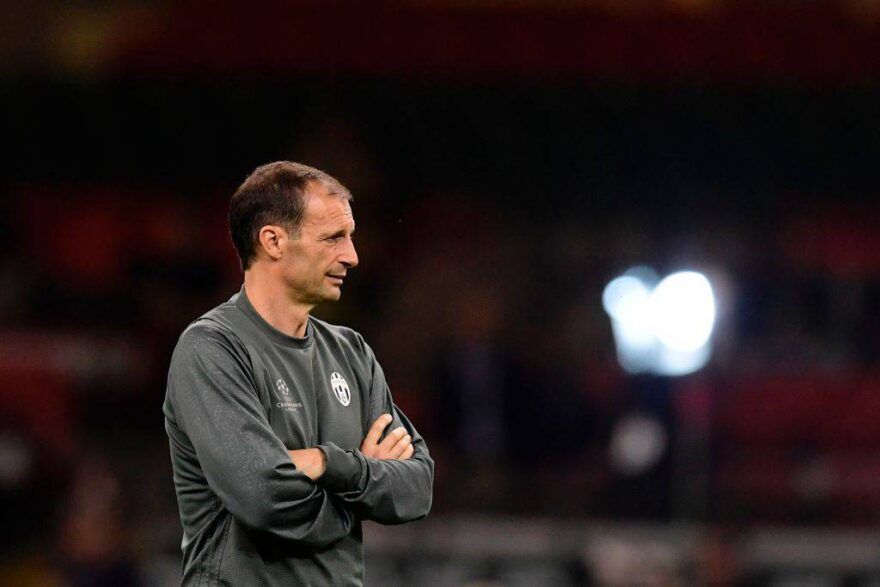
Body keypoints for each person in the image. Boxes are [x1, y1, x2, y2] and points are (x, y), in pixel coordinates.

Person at [163, 161, 433, 585]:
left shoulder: (351, 353)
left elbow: (416, 488)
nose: (352, 256)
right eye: (333, 238)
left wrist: (327, 464)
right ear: (273, 241)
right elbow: (264, 498)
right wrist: (361, 490)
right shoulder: (212, 349)